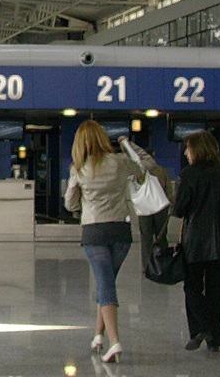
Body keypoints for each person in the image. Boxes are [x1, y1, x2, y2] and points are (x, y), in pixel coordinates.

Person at [64, 121, 157, 364]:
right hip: (120, 231)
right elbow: (146, 167)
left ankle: (115, 342)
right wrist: (128, 145)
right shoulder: (119, 162)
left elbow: (70, 204)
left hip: (94, 232)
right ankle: (98, 335)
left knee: (105, 286)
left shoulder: (78, 168)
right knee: (106, 283)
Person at [172, 130, 220, 353]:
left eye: (188, 149)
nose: (186, 153)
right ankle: (214, 340)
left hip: (196, 241)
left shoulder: (189, 175)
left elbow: (179, 209)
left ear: (196, 150)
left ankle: (200, 328)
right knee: (215, 289)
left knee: (191, 286)